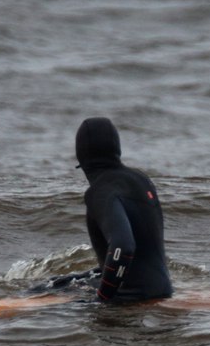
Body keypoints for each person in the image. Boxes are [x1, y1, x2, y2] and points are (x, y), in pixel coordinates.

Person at [74, 117, 174, 303]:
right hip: (162, 288)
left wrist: (102, 299)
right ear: (116, 147)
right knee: (59, 283)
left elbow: (123, 246)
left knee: (42, 300)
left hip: (132, 299)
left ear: (80, 153)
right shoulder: (140, 179)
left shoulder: (100, 190)